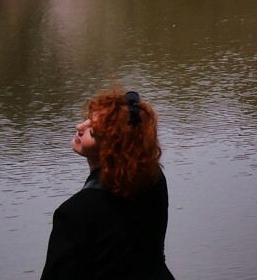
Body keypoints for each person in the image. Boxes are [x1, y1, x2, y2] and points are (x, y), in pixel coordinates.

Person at [41, 89, 174, 279]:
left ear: (111, 149)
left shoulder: (73, 213)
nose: (79, 126)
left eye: (92, 132)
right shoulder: (154, 179)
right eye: (87, 119)